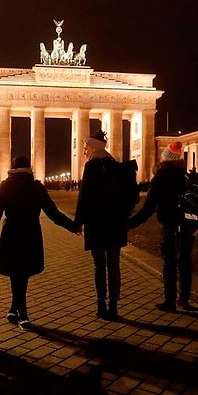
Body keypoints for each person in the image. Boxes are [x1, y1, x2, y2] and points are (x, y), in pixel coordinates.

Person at [0, 156, 79, 329]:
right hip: (31, 232)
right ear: (29, 169)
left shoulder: (5, 186)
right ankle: (22, 313)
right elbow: (53, 213)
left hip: (11, 233)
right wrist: (73, 226)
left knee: (16, 273)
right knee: (22, 273)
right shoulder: (37, 187)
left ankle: (15, 309)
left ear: (12, 168)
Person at [129, 141, 197, 312]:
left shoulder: (160, 178)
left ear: (165, 159)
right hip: (187, 227)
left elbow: (149, 207)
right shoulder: (186, 177)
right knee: (185, 263)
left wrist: (131, 223)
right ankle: (185, 299)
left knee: (169, 264)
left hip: (170, 226)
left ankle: (170, 301)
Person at [74, 129, 129, 320]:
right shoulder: (116, 165)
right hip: (115, 224)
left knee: (99, 266)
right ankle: (114, 306)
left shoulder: (91, 166)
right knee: (114, 265)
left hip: (96, 224)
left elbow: (84, 196)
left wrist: (78, 222)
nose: (84, 151)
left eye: (86, 147)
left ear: (93, 147)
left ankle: (101, 305)